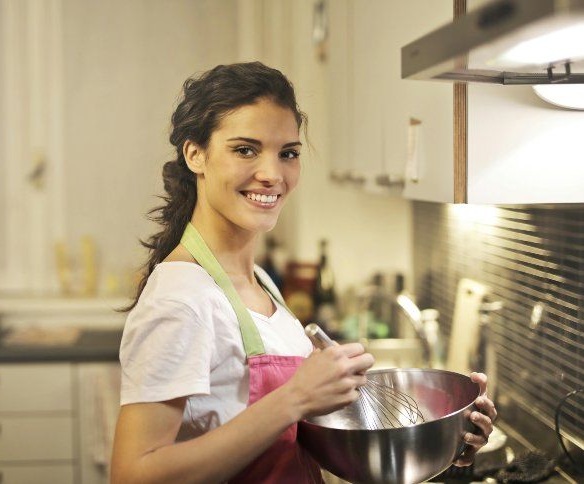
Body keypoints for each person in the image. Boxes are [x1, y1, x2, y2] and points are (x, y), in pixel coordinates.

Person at [111, 62, 497, 483]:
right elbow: (133, 475)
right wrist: (294, 398)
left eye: (288, 153)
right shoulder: (182, 298)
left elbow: (287, 437)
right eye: (245, 149)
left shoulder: (260, 282)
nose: (273, 174)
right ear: (195, 154)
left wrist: (442, 439)